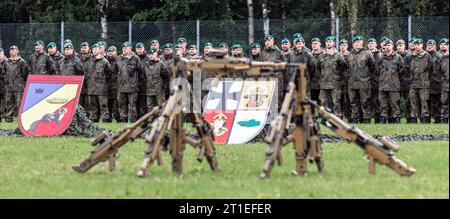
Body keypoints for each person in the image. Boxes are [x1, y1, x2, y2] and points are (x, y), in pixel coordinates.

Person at [113, 41, 145, 123]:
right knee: (121, 104)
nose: (124, 49)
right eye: (123, 48)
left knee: (132, 105)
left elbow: (141, 71)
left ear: (130, 48)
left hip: (132, 86)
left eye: (126, 48)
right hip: (121, 86)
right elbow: (115, 72)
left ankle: (133, 119)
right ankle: (123, 119)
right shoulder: (118, 58)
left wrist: (138, 83)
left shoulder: (135, 58)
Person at [347, 35, 376, 124]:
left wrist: (366, 77)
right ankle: (355, 118)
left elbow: (372, 66)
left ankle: (366, 118)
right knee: (353, 102)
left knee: (365, 101)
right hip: (352, 83)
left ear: (362, 43)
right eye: (355, 42)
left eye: (359, 42)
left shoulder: (367, 53)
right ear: (353, 44)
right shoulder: (349, 54)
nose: (357, 44)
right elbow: (347, 67)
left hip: (364, 82)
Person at [317, 36, 348, 118]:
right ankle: (325, 117)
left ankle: (337, 117)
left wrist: (337, 75)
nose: (328, 43)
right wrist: (323, 76)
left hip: (335, 82)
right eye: (327, 42)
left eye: (330, 42)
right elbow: (318, 68)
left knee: (336, 101)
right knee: (323, 101)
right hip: (324, 83)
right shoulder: (321, 56)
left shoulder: (337, 55)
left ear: (333, 43)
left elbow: (344, 67)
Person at [377, 39, 404, 124]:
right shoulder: (380, 57)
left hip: (394, 85)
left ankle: (396, 118)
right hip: (383, 84)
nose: (387, 47)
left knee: (394, 103)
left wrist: (394, 77)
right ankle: (383, 118)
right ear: (383, 46)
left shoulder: (398, 57)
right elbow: (376, 69)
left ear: (392, 46)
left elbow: (402, 70)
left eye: (389, 45)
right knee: (382, 103)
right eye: (386, 45)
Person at [407, 38, 433, 124]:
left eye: (418, 44)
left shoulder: (427, 55)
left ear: (422, 45)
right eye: (415, 45)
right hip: (413, 83)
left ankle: (424, 118)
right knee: (413, 101)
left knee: (424, 101)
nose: (416, 46)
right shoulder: (410, 56)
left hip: (423, 83)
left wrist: (425, 77)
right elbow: (406, 67)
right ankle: (413, 118)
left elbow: (431, 68)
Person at [86, 43, 112, 123]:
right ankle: (94, 119)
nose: (94, 51)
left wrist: (103, 82)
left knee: (103, 105)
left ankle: (105, 119)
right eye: (93, 50)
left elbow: (109, 73)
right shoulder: (89, 61)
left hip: (101, 89)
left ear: (99, 50)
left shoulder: (104, 61)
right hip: (91, 88)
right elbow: (86, 72)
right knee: (92, 106)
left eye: (96, 49)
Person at [3, 45, 27, 123]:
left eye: (14, 50)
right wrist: (6, 81)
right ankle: (9, 118)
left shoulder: (22, 61)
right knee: (8, 102)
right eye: (11, 50)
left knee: (19, 103)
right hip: (9, 86)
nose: (12, 51)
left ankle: (21, 119)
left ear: (17, 51)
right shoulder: (6, 61)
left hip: (18, 87)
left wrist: (21, 82)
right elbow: (4, 72)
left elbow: (25, 74)